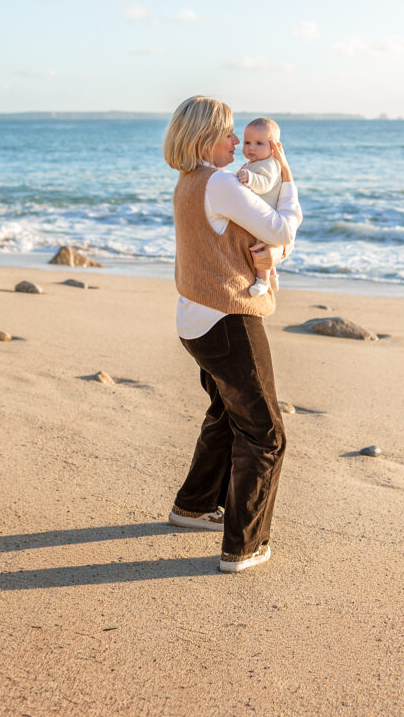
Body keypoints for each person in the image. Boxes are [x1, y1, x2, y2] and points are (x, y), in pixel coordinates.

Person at [162, 96, 302, 573]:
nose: (237, 142)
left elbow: (245, 243)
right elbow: (281, 228)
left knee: (226, 414)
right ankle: (245, 546)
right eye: (227, 133)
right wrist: (287, 176)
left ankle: (195, 505)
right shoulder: (220, 183)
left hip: (194, 322)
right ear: (204, 137)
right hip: (226, 320)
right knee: (265, 434)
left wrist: (274, 254)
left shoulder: (188, 181)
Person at [236, 116, 286, 298]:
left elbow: (264, 184)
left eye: (259, 143)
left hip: (267, 218)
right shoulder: (252, 163)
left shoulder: (271, 164)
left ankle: (262, 281)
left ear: (273, 147)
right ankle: (273, 276)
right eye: (247, 142)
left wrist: (249, 178)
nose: (251, 147)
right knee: (262, 248)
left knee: (260, 249)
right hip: (259, 216)